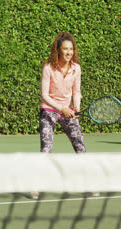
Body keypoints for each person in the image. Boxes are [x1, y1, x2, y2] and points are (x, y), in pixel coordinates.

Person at [31, 32, 86, 199]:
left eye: (71, 49)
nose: (68, 52)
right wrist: (62, 108)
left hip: (68, 112)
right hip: (49, 110)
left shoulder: (76, 68)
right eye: (65, 49)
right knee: (46, 149)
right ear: (58, 50)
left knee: (80, 147)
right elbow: (44, 95)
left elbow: (76, 91)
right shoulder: (48, 67)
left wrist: (75, 108)